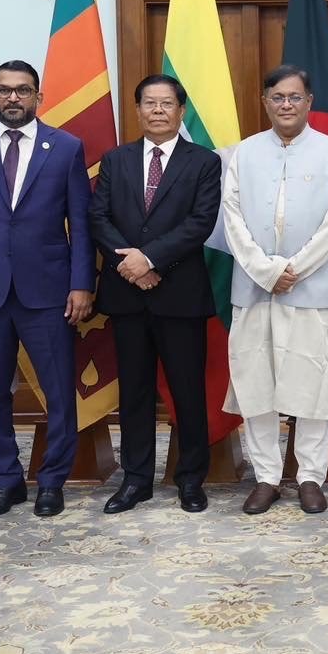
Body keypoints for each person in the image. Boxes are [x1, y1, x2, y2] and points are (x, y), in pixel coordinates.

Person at [0, 60, 94, 518]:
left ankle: (51, 482)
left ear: (38, 97)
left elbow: (80, 226)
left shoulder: (65, 147)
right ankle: (5, 481)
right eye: (4, 91)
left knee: (59, 392)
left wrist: (82, 284)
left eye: (22, 91)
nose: (13, 98)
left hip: (48, 291)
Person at [221, 65, 328, 516]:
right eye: (278, 97)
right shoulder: (243, 153)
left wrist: (293, 269)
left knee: (312, 384)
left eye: (295, 97)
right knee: (257, 386)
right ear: (265, 101)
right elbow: (231, 217)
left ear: (309, 101)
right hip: (255, 290)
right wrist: (264, 270)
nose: (286, 105)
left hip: (311, 289)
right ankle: (266, 477)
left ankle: (311, 476)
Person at [89, 74, 221, 514]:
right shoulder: (116, 159)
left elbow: (199, 223)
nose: (158, 110)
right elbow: (99, 217)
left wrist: (149, 260)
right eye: (150, 103)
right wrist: (132, 265)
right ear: (138, 109)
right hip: (128, 294)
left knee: (187, 391)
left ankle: (190, 479)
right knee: (135, 392)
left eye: (167, 103)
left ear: (181, 111)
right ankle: (136, 479)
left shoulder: (203, 162)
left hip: (179, 294)